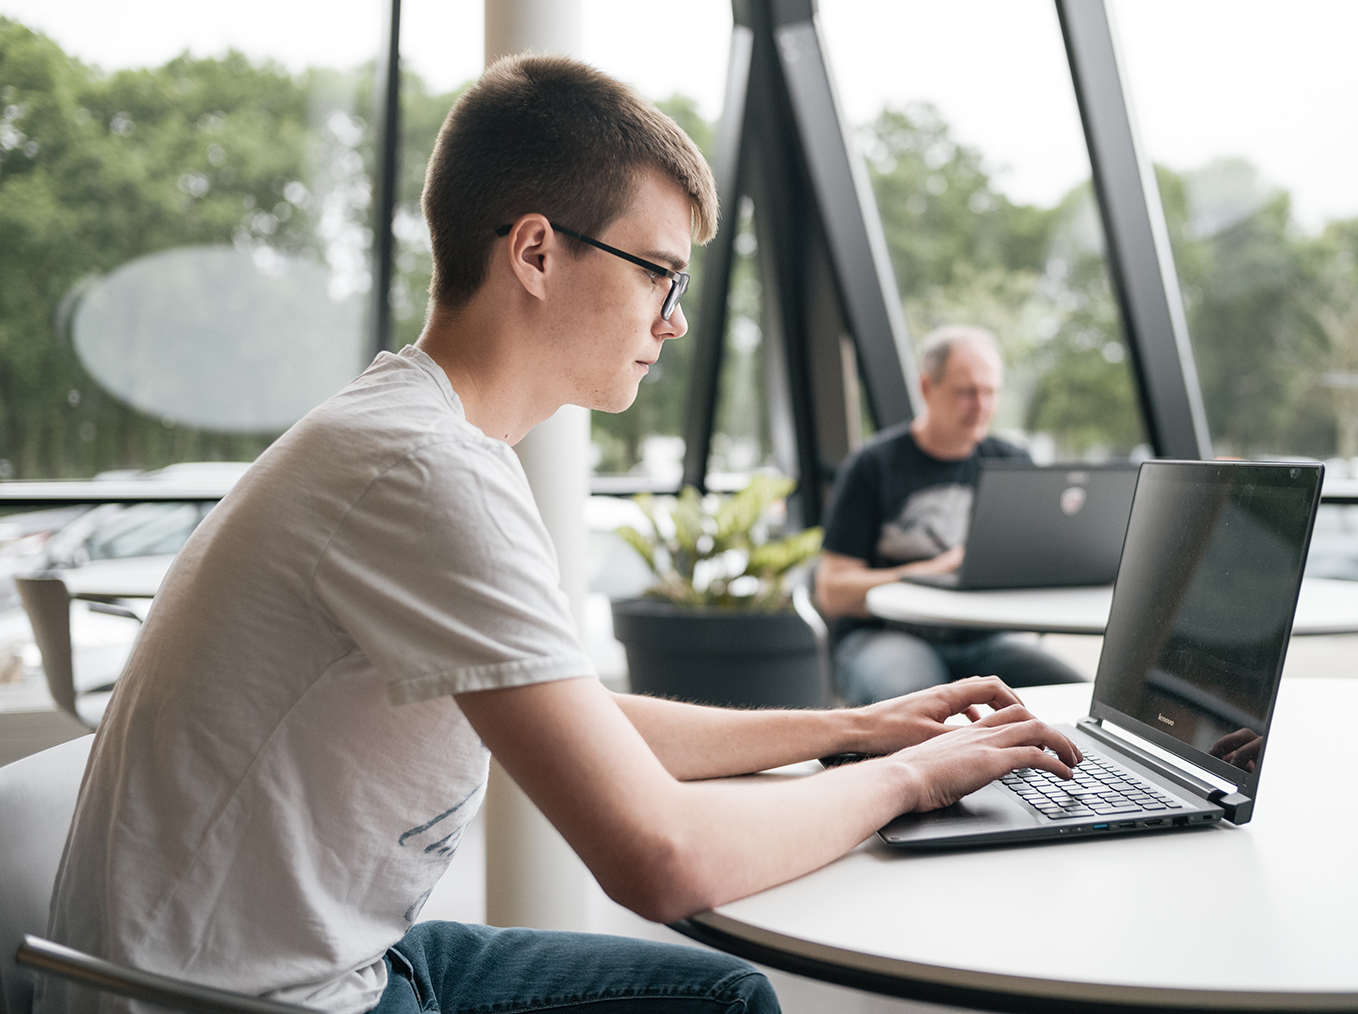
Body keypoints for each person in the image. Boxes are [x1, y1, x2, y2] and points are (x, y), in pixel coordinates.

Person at [39, 56, 1083, 1014]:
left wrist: (847, 731)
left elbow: (579, 715)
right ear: (536, 252)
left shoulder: (422, 435)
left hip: (337, 960)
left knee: (725, 1001)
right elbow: (660, 859)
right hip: (249, 1003)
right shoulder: (420, 470)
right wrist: (917, 777)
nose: (674, 320)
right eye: (656, 274)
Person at [816, 326, 1086, 706]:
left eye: (990, 391)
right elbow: (833, 592)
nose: (981, 405)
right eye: (967, 392)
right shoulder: (871, 466)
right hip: (886, 635)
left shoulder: (1013, 465)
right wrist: (929, 571)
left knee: (1087, 701)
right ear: (927, 389)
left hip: (984, 637)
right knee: (916, 710)